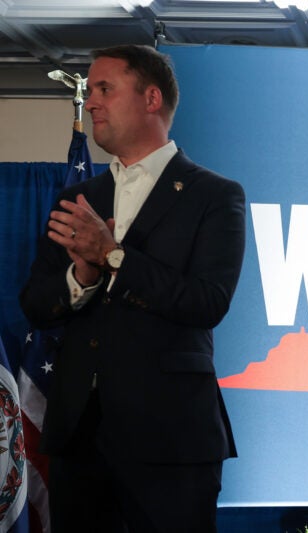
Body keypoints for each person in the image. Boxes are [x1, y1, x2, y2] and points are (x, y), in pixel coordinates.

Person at [19, 44, 245, 532]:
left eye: (105, 89)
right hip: (80, 438)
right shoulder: (78, 197)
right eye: (91, 91)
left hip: (171, 441)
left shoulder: (214, 195)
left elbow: (208, 302)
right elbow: (37, 305)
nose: (92, 102)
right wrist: (82, 277)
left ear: (151, 99)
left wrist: (114, 257)